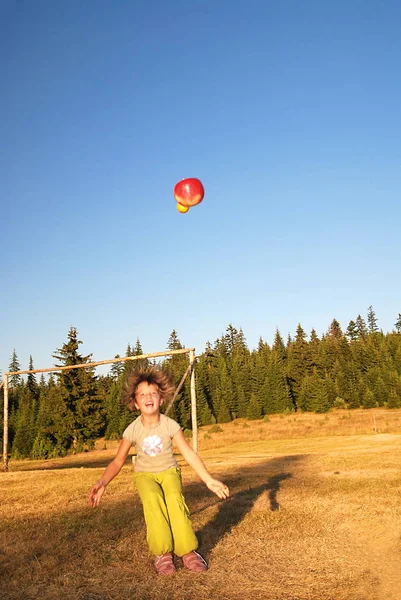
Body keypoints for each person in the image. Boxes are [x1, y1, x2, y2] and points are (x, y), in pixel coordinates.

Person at [89, 365, 230, 575]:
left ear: (161, 399)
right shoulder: (132, 430)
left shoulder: (170, 425)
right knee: (153, 501)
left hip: (169, 472)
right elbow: (118, 461)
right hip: (145, 476)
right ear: (135, 403)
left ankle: (188, 551)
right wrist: (103, 482)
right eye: (143, 394)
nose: (148, 397)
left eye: (153, 393)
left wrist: (208, 480)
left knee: (174, 500)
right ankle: (163, 554)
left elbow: (189, 454)